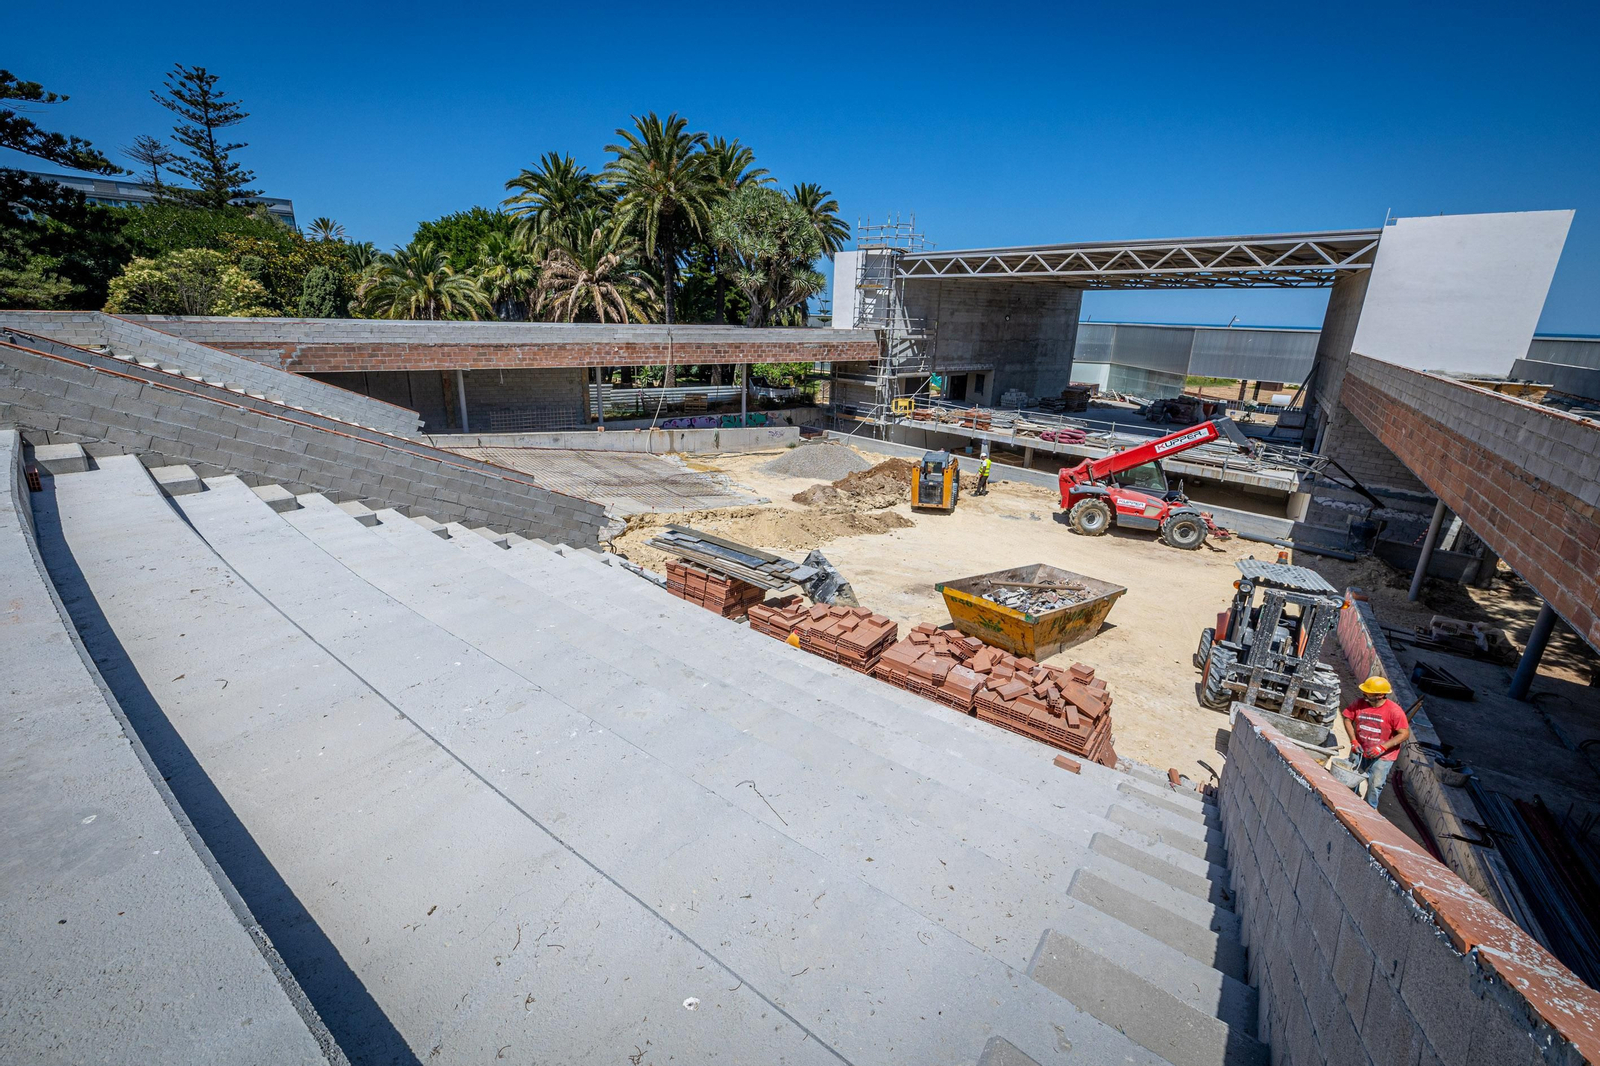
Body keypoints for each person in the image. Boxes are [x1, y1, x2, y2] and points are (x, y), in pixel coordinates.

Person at [1339, 676, 1411, 808]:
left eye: (1369, 692)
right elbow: (1347, 718)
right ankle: (1348, 804)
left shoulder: (1394, 711)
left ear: (1380, 695)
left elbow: (1404, 734)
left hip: (1383, 756)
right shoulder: (1359, 703)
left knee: (1375, 784)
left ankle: (1369, 809)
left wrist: (1383, 747)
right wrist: (1353, 741)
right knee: (1352, 777)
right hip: (1360, 749)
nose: (1364, 694)